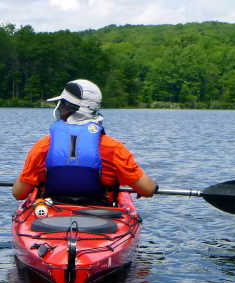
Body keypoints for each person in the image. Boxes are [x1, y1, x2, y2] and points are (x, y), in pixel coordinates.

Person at [12, 79, 157, 203]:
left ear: (66, 109)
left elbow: (19, 193)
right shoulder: (114, 149)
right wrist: (153, 187)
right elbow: (147, 189)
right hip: (101, 219)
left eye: (62, 104)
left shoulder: (43, 146)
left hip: (51, 216)